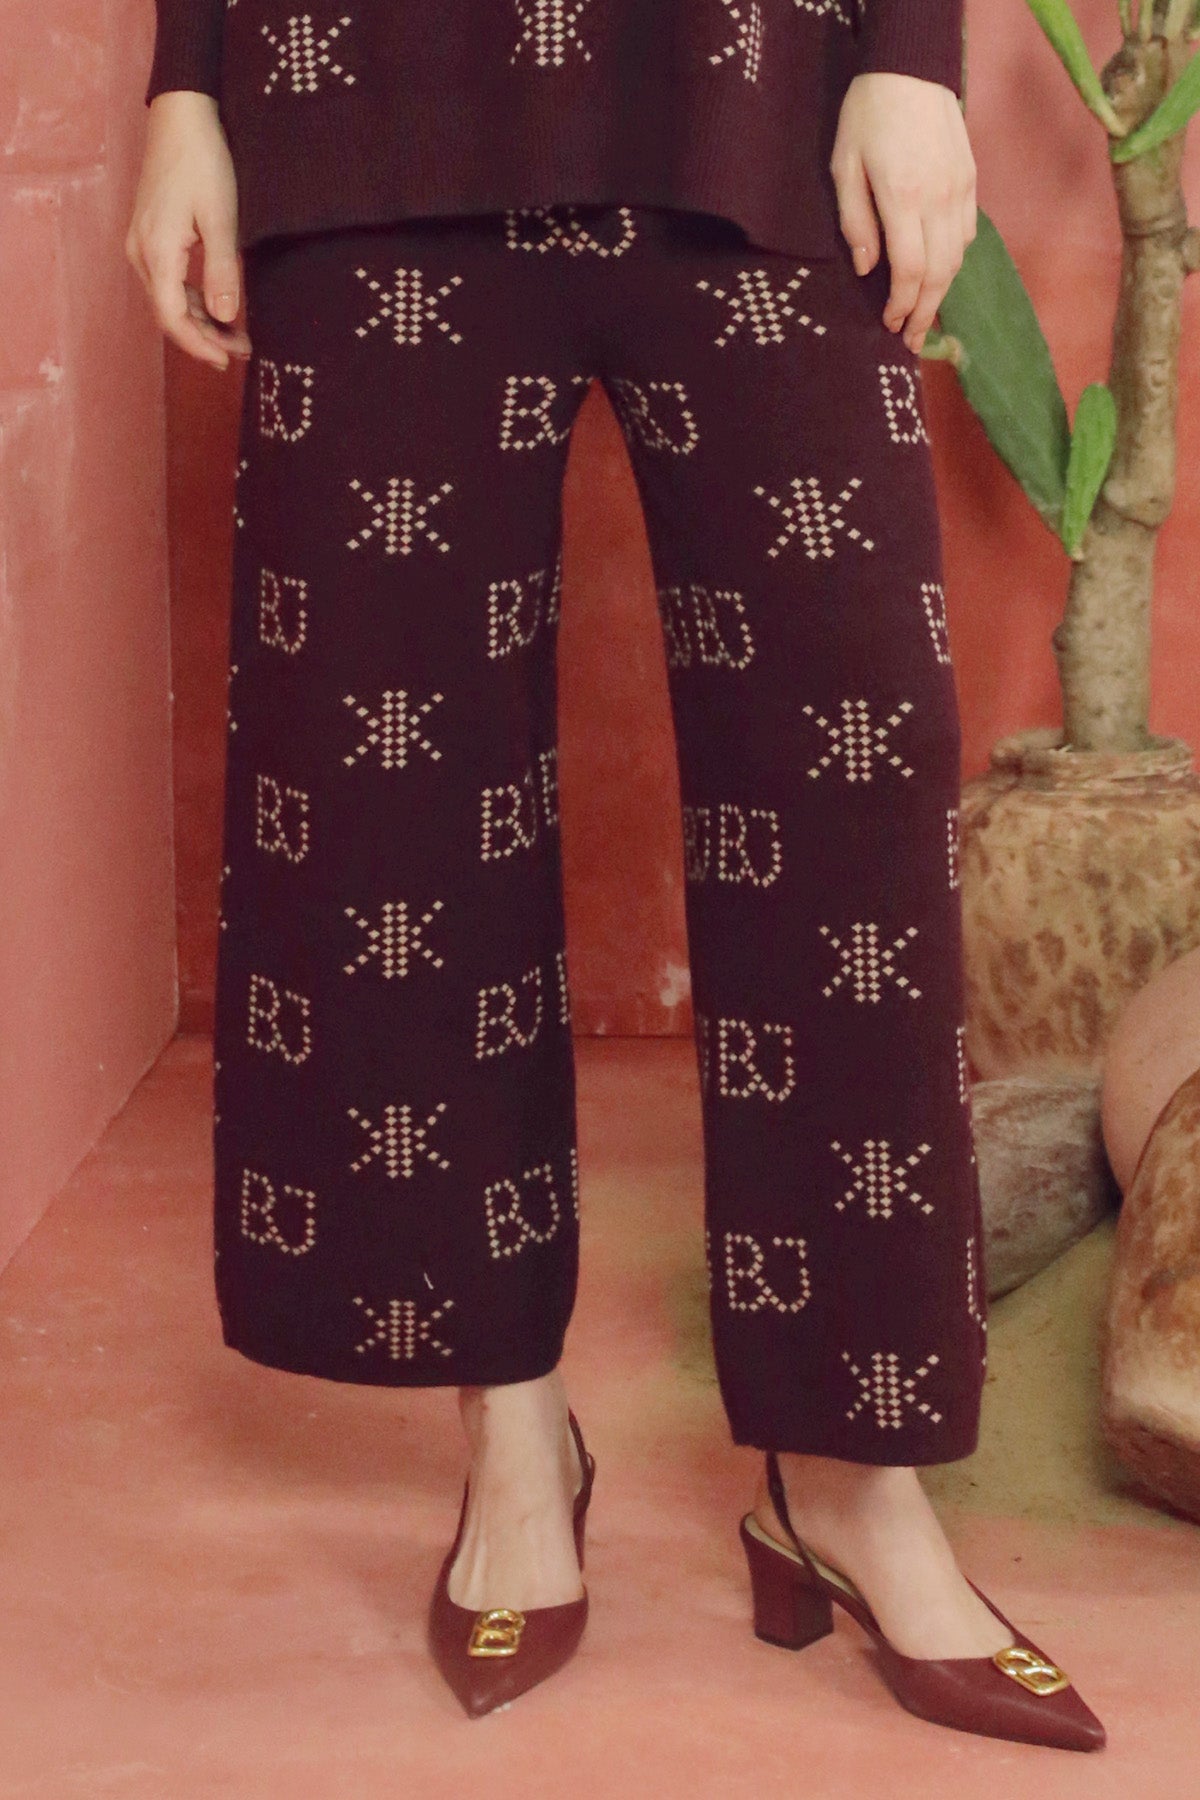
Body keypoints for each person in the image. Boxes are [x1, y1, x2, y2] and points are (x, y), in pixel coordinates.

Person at [126, 0, 1105, 1746]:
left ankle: (851, 1476)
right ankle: (509, 1427)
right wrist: (184, 88)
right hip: (374, 93)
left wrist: (911, 54)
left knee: (849, 765)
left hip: (756, 81)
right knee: (386, 793)